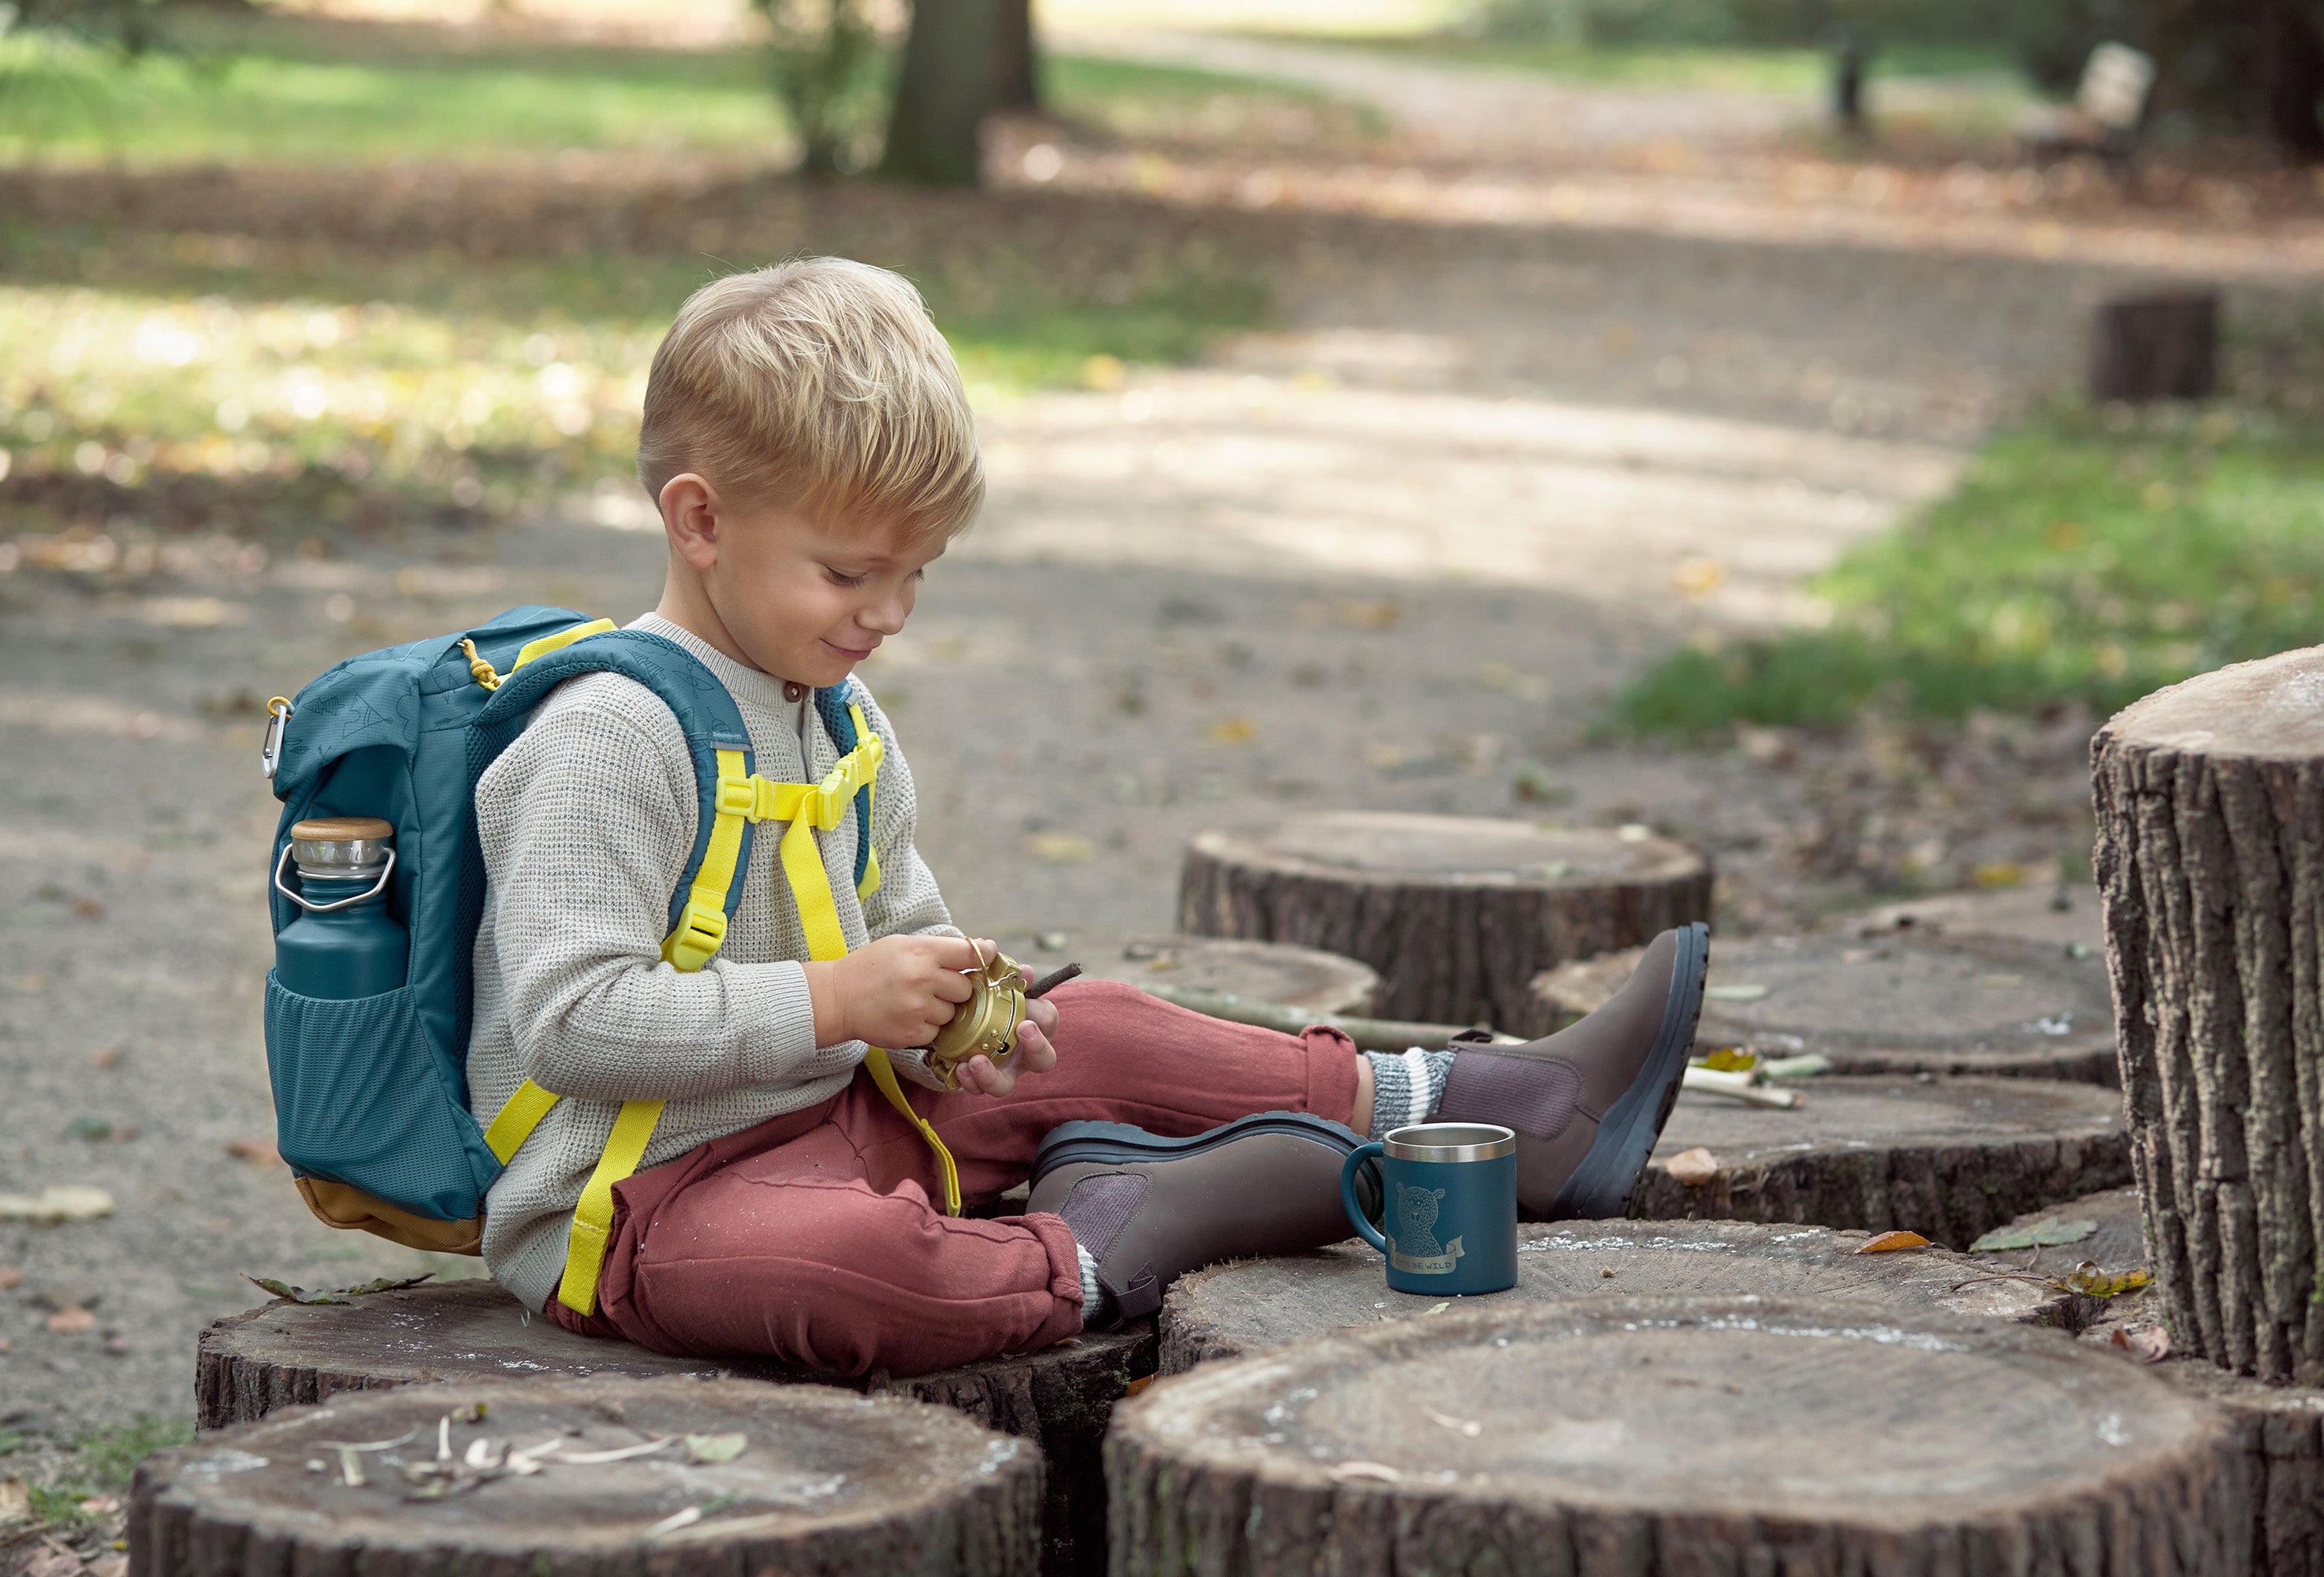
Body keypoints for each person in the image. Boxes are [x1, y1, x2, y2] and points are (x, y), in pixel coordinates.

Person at [468, 257, 1708, 1377]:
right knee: (849, 1274)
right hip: (647, 1207)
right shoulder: (605, 738)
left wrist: (955, 1025)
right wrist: (842, 1002)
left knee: (1103, 1024)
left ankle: (1497, 1110)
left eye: (918, 573)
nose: (887, 613)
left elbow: (901, 928)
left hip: (843, 1115)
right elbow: (576, 1024)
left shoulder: (837, 716)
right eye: (849, 573)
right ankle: (1105, 1241)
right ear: (701, 521)